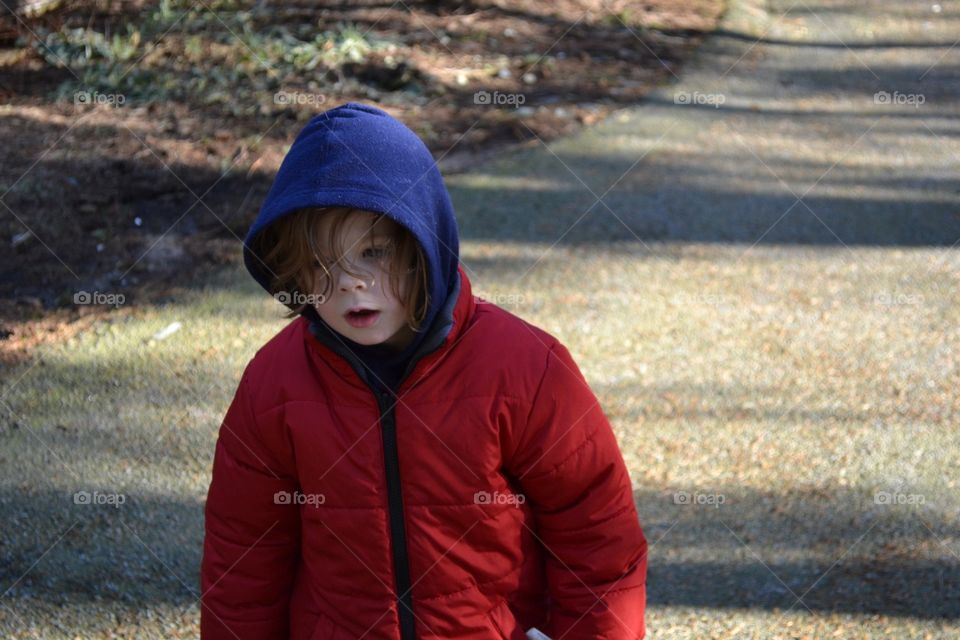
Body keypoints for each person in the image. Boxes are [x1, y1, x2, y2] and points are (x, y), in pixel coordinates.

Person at [200, 102, 648, 639]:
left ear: (423, 245)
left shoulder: (525, 367)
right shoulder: (275, 384)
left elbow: (597, 537)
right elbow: (244, 557)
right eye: (321, 264)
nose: (349, 283)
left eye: (375, 252)